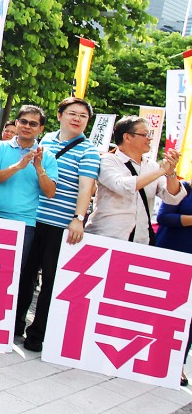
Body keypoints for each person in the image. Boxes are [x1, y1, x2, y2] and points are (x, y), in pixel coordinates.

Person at [15, 97, 100, 353]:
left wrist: (79, 218)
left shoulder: (89, 151)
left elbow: (87, 187)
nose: (77, 119)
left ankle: (37, 334)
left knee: (50, 282)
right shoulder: (45, 140)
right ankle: (15, 324)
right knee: (24, 275)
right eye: (72, 113)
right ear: (60, 114)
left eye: (83, 116)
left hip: (61, 225)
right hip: (32, 217)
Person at [86, 115, 183, 244]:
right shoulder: (107, 161)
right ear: (127, 137)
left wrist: (170, 172)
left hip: (141, 239)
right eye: (145, 134)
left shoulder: (151, 166)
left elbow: (172, 197)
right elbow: (121, 186)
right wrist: (161, 171)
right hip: (107, 235)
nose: (149, 138)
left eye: (149, 134)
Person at [0, 105, 58, 268]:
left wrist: (39, 168)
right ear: (17, 123)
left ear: (41, 129)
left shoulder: (47, 156)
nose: (27, 126)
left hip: (24, 224)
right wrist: (19, 165)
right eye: (23, 121)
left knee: (9, 273)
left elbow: (50, 192)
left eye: (33, 124)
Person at [155, 187, 192, 386]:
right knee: (158, 309)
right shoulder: (183, 189)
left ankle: (178, 364)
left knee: (188, 317)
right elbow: (164, 217)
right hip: (170, 257)